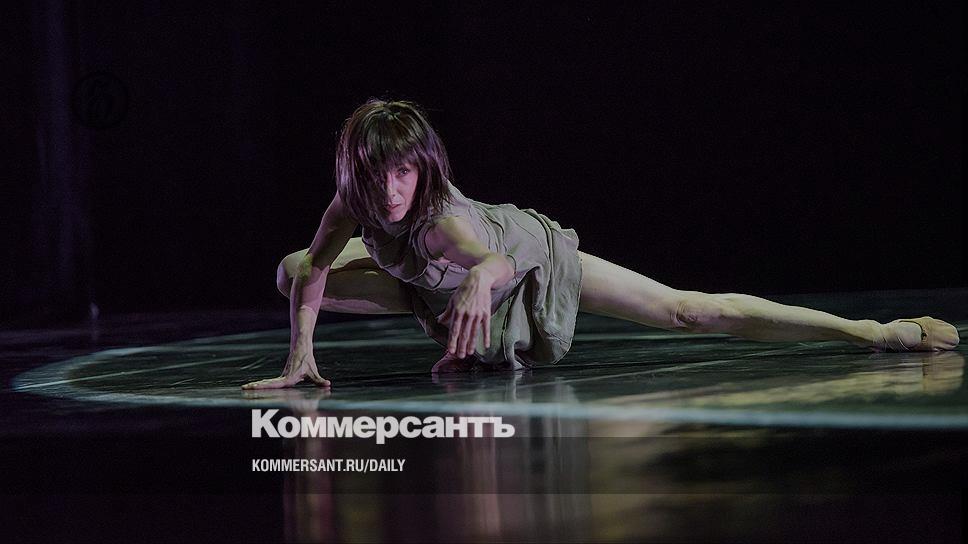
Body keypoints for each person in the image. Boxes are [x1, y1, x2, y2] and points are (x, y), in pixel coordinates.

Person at [241, 99, 960, 390]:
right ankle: (446, 308)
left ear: (422, 169)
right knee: (292, 268)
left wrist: (481, 276)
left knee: (686, 311)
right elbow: (314, 269)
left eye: (404, 172)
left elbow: (492, 259)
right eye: (379, 174)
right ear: (357, 174)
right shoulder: (352, 203)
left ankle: (873, 332)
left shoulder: (439, 223)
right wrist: (301, 355)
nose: (392, 189)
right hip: (436, 282)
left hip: (524, 258)